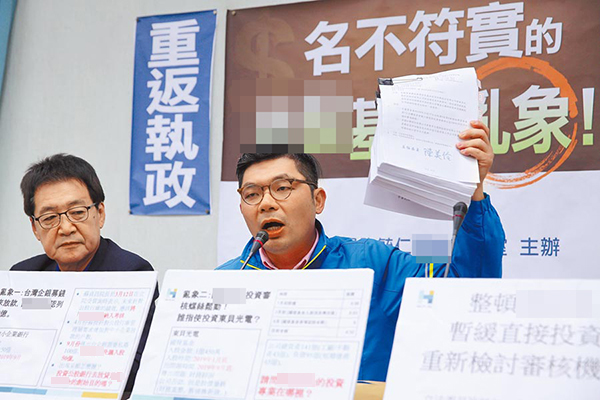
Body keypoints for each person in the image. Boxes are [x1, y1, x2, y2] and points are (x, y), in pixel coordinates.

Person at [217, 121, 505, 381]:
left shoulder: (373, 264)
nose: (266, 204)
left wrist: (473, 190)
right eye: (252, 194)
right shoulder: (225, 283)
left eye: (282, 188)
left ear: (318, 200)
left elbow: (464, 290)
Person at [11, 153, 157, 394]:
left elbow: (132, 368)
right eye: (50, 218)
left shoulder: (129, 272)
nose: (66, 228)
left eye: (77, 212)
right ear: (35, 228)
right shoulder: (24, 277)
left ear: (100, 213)